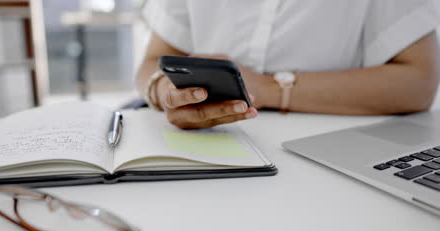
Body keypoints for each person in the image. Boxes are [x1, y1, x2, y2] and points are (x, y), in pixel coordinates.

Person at [136, 0, 440, 129]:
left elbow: (418, 82)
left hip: (325, 147)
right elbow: (153, 61)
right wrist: (163, 90)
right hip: (201, 143)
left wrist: (266, 88)